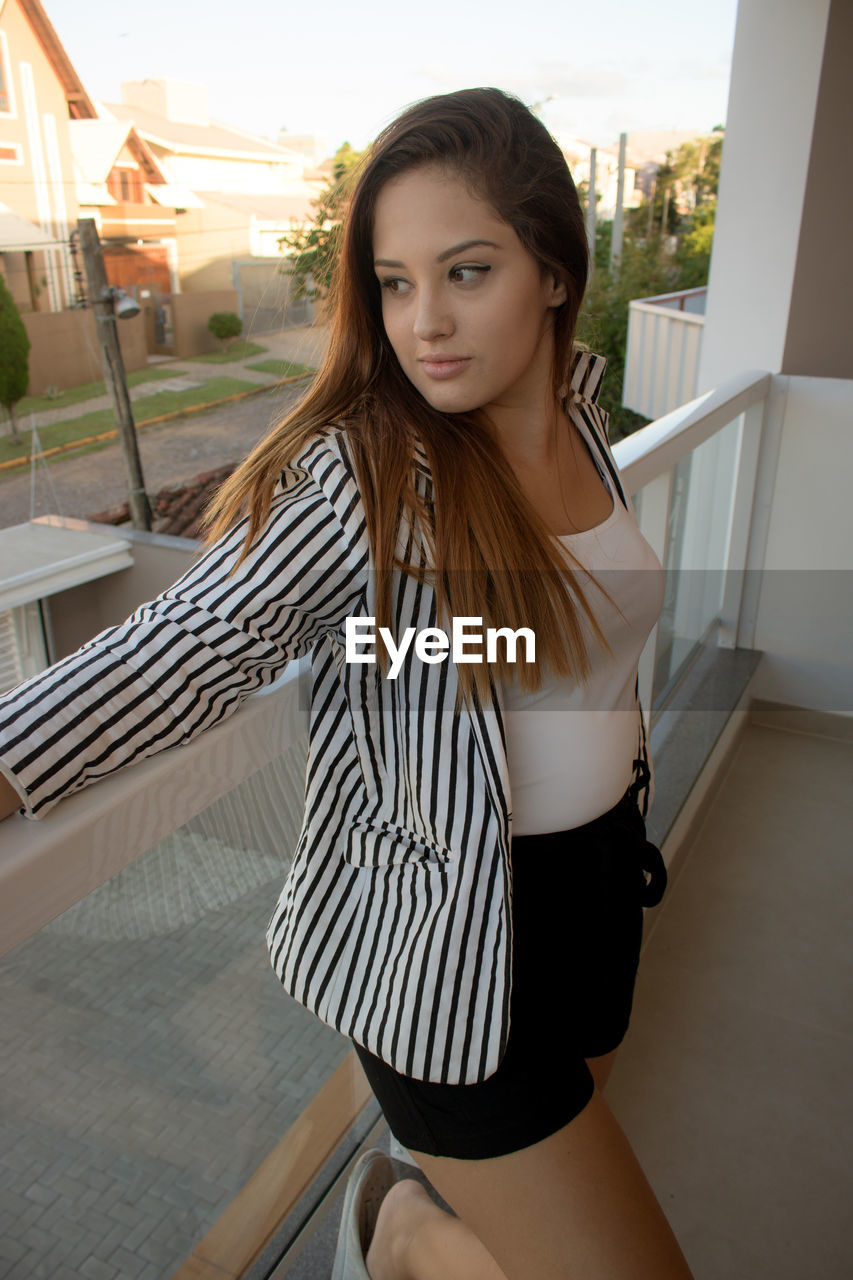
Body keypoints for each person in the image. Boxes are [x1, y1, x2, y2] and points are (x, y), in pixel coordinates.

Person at [0, 88, 693, 1279]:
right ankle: (397, 1224)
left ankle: (413, 1218)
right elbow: (188, 642)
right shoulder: (369, 477)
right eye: (393, 281)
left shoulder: (581, 417)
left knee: (518, 1228)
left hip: (596, 898)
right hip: (446, 947)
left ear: (554, 273)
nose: (423, 321)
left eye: (465, 272)